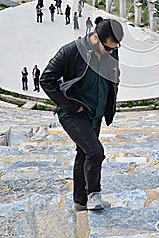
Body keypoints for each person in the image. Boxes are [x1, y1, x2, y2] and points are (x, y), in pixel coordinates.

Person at [40, 18, 124, 211]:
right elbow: (46, 79)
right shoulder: (70, 51)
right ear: (95, 37)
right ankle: (94, 194)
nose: (111, 52)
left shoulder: (112, 50)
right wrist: (68, 105)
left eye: (114, 49)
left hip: (96, 113)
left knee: (83, 153)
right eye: (108, 48)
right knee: (96, 153)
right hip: (74, 112)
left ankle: (80, 201)